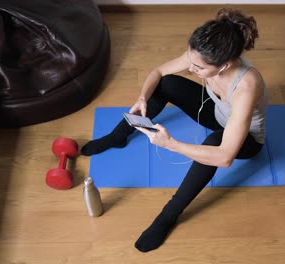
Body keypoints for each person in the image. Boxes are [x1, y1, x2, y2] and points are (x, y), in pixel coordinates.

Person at [81, 8, 267, 252]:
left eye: (198, 69)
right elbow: (158, 72)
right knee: (166, 83)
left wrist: (171, 144)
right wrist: (142, 98)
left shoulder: (246, 86)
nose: (191, 69)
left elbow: (225, 157)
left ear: (226, 65)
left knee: (213, 143)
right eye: (190, 61)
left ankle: (168, 215)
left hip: (247, 140)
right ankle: (118, 136)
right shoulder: (201, 56)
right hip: (217, 113)